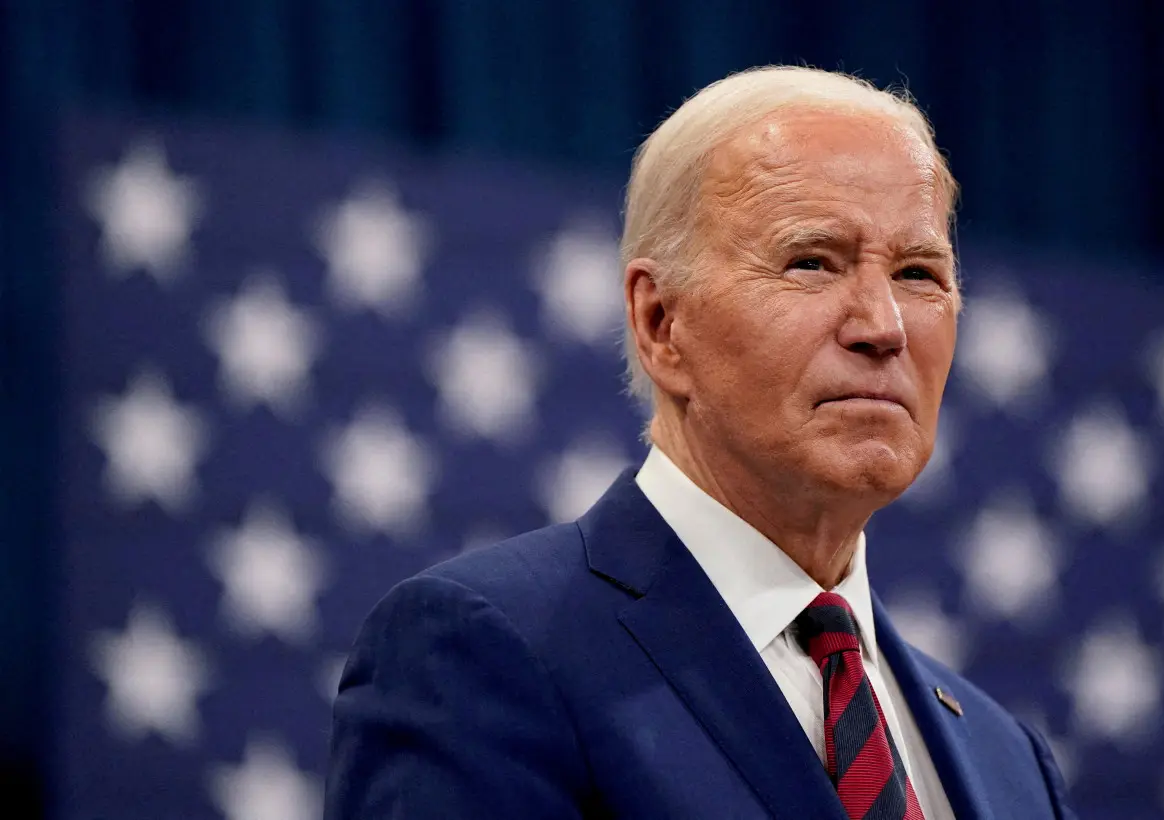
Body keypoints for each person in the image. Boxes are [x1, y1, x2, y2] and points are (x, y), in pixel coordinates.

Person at [324, 66, 1077, 819]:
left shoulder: (1007, 760)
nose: (883, 326)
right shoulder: (480, 656)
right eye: (812, 262)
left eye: (918, 272)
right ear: (661, 325)